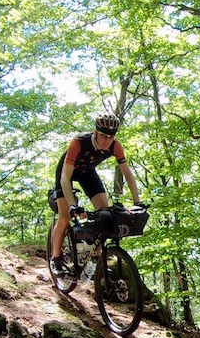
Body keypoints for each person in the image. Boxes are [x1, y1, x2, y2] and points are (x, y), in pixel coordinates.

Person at [49, 112, 142, 276]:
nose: (107, 140)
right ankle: (56, 259)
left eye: (111, 136)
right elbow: (65, 177)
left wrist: (137, 202)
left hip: (87, 173)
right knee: (65, 216)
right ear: (95, 133)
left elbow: (127, 174)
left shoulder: (116, 146)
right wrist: (73, 205)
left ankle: (95, 260)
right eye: (103, 136)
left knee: (105, 215)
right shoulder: (78, 143)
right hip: (67, 173)